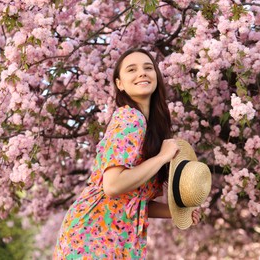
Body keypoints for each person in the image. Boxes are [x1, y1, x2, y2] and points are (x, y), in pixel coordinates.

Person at [53, 48, 201, 259]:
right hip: (93, 236)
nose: (142, 73)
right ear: (119, 84)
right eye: (132, 69)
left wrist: (176, 212)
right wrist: (161, 158)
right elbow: (113, 186)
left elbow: (133, 201)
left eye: (148, 68)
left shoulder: (151, 129)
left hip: (119, 238)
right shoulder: (130, 118)